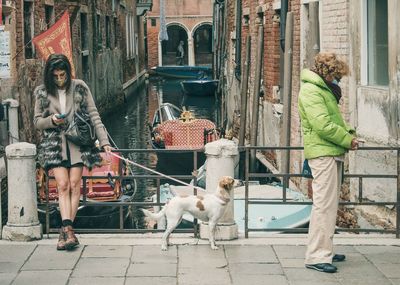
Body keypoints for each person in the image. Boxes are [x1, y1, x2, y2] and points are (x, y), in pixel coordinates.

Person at [34, 54, 112, 251]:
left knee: (75, 184)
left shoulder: (80, 87)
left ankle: (66, 230)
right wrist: (52, 120)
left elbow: (94, 115)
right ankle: (69, 230)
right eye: (56, 76)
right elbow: (37, 122)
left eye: (63, 75)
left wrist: (104, 142)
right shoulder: (42, 92)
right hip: (55, 145)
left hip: (79, 143)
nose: (60, 79)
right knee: (62, 184)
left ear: (68, 73)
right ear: (50, 76)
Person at [298, 52, 360, 273]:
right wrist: (348, 139)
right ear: (329, 73)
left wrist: (349, 134)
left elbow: (333, 121)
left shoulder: (322, 89)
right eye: (338, 77)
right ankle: (316, 256)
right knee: (323, 205)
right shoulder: (311, 90)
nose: (339, 81)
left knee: (329, 205)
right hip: (323, 153)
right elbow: (322, 125)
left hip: (330, 151)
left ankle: (326, 250)